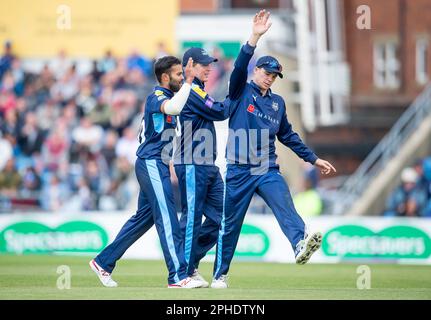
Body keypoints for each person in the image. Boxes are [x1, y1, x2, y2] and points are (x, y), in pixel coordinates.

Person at [211, 10, 336, 289]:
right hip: (239, 169)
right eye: (267, 73)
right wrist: (254, 36)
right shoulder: (239, 91)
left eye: (275, 75)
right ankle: (220, 275)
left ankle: (298, 245)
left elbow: (288, 136)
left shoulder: (278, 103)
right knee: (230, 226)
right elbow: (239, 65)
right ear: (257, 71)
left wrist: (313, 159)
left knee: (285, 205)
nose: (270, 78)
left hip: (266, 167)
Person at [89, 56, 205, 289]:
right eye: (178, 74)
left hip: (157, 163)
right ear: (165, 77)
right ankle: (178, 276)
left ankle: (103, 261)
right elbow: (172, 108)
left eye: (183, 74)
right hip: (150, 163)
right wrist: (190, 81)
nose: (182, 78)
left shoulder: (171, 96)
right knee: (168, 218)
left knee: (144, 219)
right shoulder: (157, 97)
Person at [173, 46, 230, 287]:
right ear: (189, 66)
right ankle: (181, 274)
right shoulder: (191, 91)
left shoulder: (198, 90)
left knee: (224, 217)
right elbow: (219, 112)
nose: (209, 67)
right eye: (203, 64)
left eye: (210, 63)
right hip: (192, 162)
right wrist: (238, 94)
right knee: (192, 218)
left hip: (207, 164)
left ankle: (190, 261)